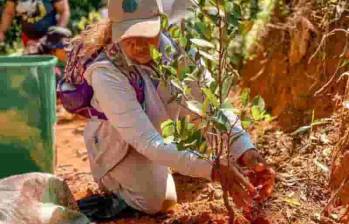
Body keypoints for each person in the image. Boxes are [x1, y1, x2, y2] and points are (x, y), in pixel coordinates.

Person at [66, 0, 276, 215]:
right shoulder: (105, 72)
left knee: (224, 150)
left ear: (160, 23)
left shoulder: (178, 50)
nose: (138, 45)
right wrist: (212, 169)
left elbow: (212, 108)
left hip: (160, 133)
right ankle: (115, 188)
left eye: (146, 34)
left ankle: (170, 161)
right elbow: (146, 141)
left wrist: (244, 149)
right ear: (115, 30)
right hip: (119, 145)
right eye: (128, 36)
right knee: (156, 200)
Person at [0, 0, 70, 46]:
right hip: (29, 39)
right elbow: (9, 13)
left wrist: (56, 34)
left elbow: (64, 11)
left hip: (51, 40)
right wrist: (2, 31)